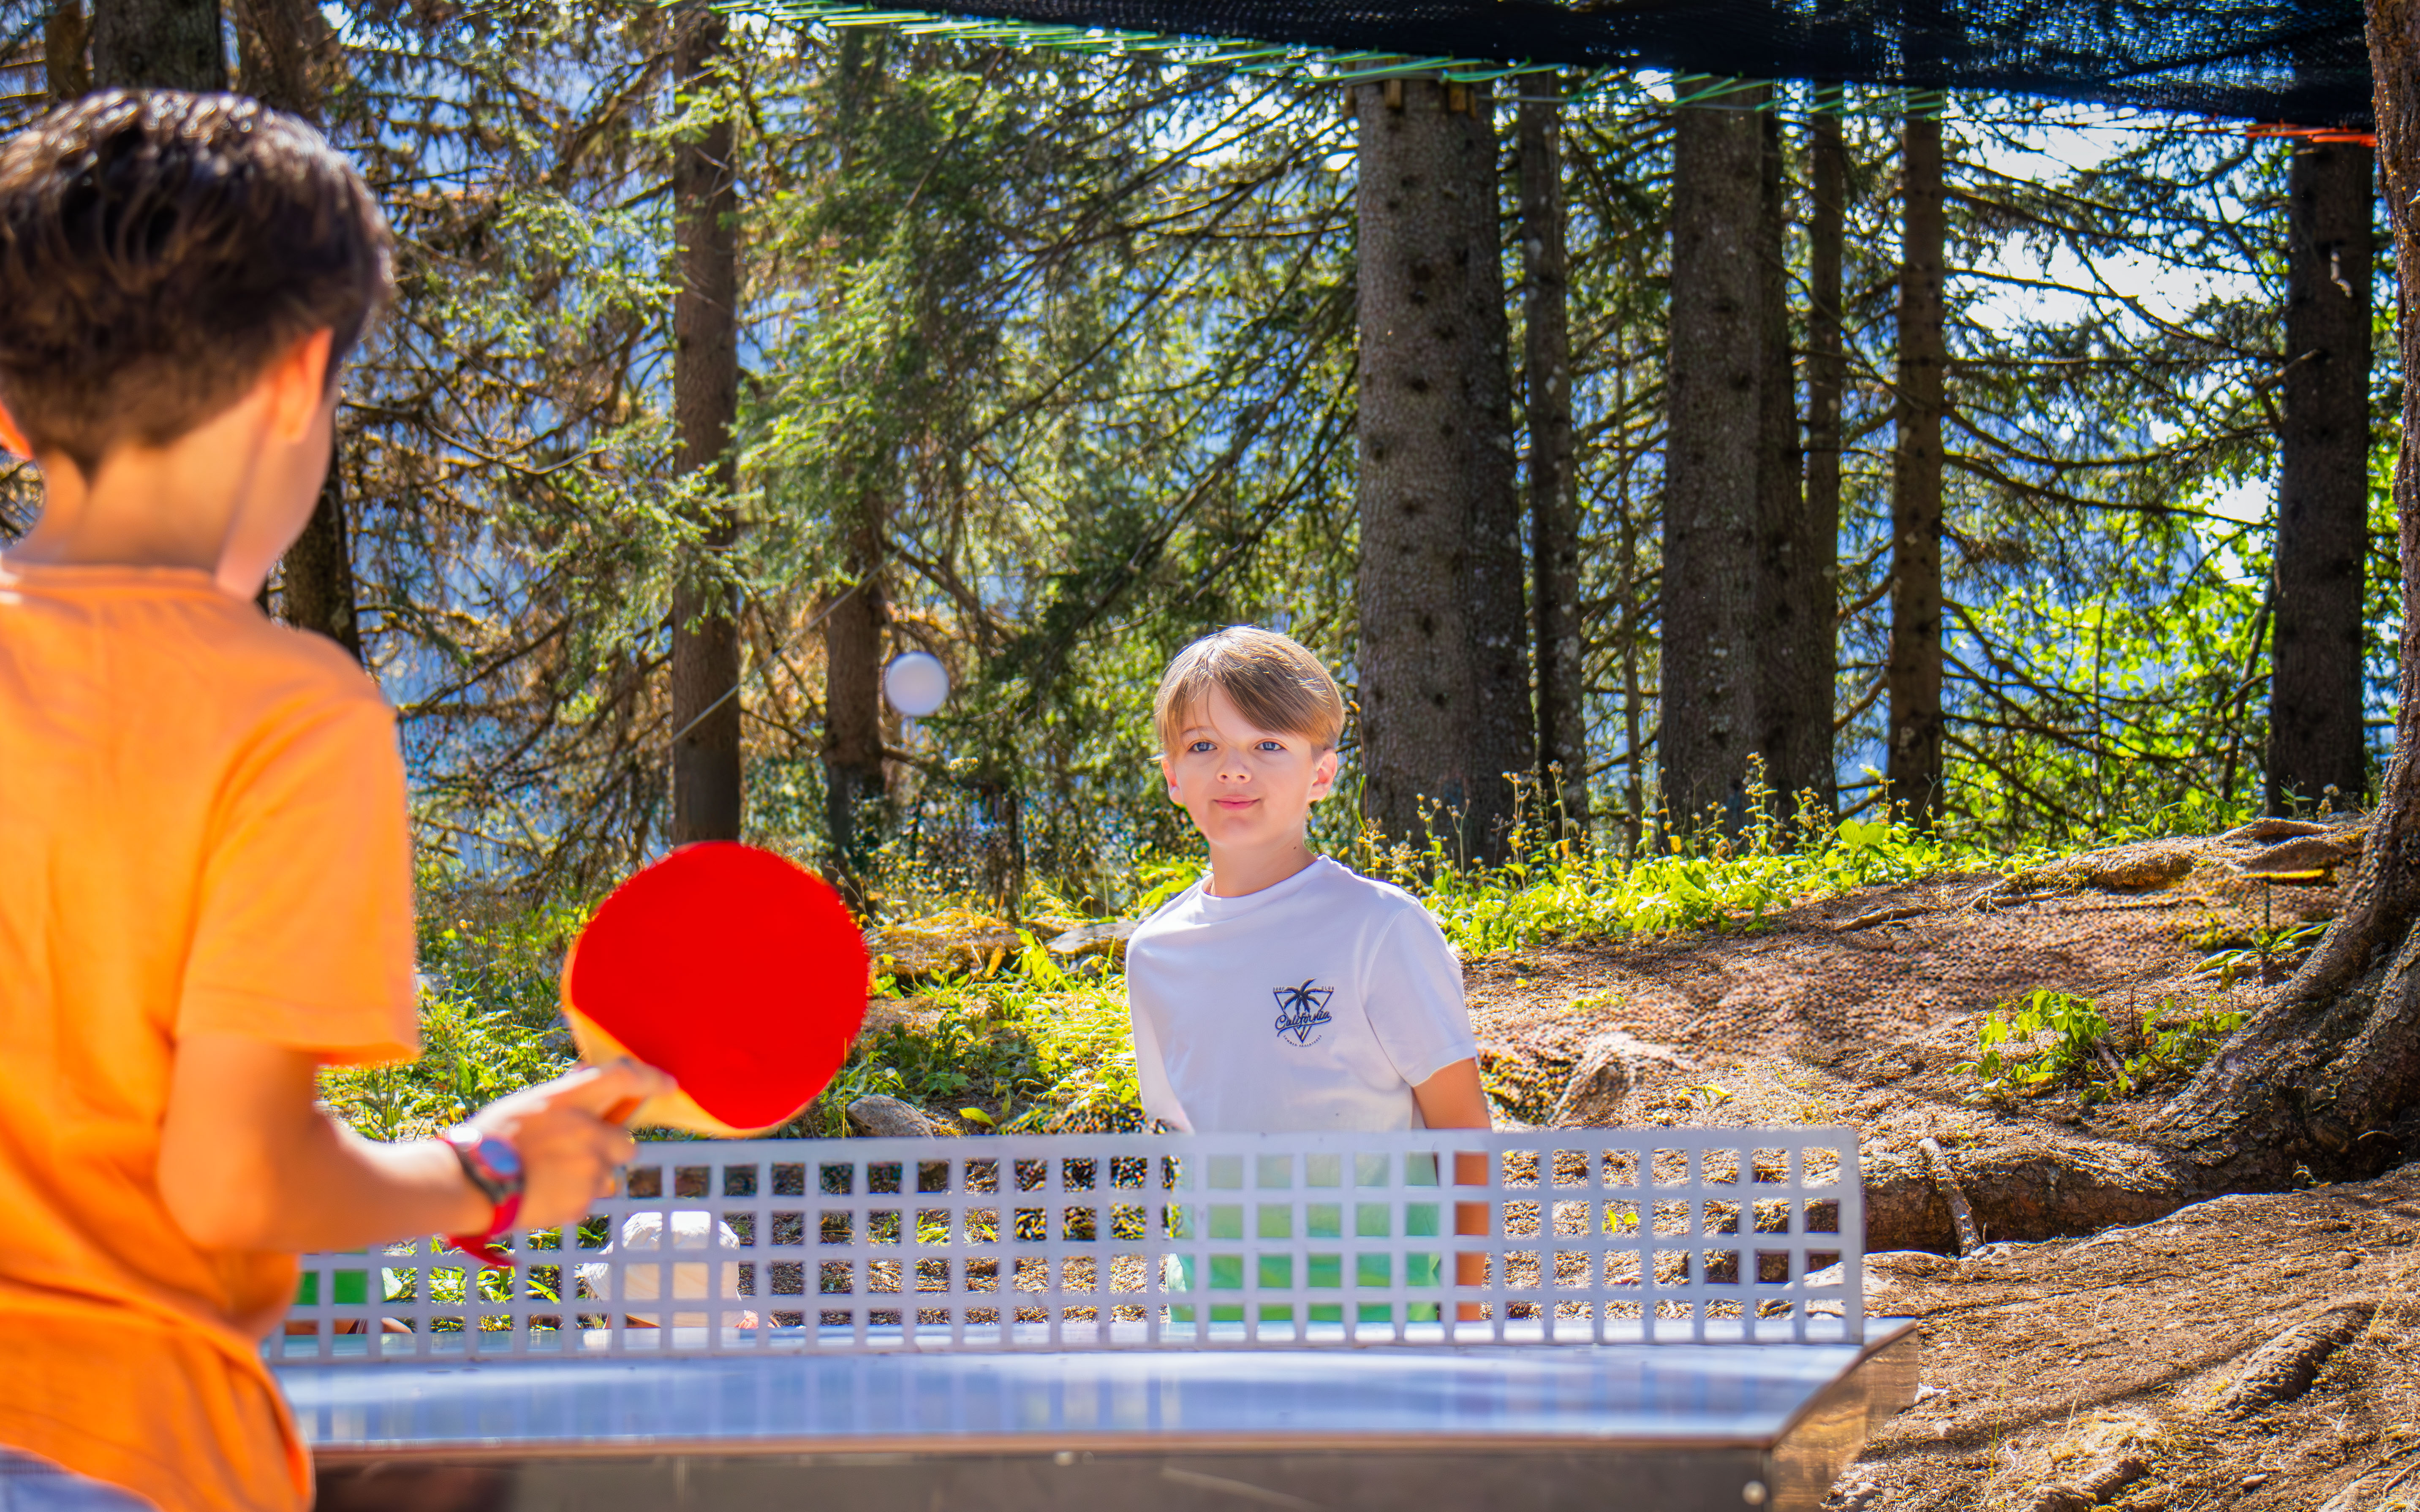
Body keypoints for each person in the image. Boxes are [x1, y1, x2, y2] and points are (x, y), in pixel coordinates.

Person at [0, 92, 667, 1512]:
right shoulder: (288, 710)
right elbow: (237, 1187)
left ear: (8, 410)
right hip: (113, 1449)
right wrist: (492, 1169)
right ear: (303, 377)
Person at [1124, 625, 1490, 1320]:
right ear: (1173, 775)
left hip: (1378, 1321)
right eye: (1203, 745)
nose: (1234, 769)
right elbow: (1190, 1139)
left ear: (1320, 773)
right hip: (1214, 1324)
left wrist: (1463, 1319)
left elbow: (1463, 1132)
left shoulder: (1380, 929)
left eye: (1268, 744)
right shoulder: (1153, 953)